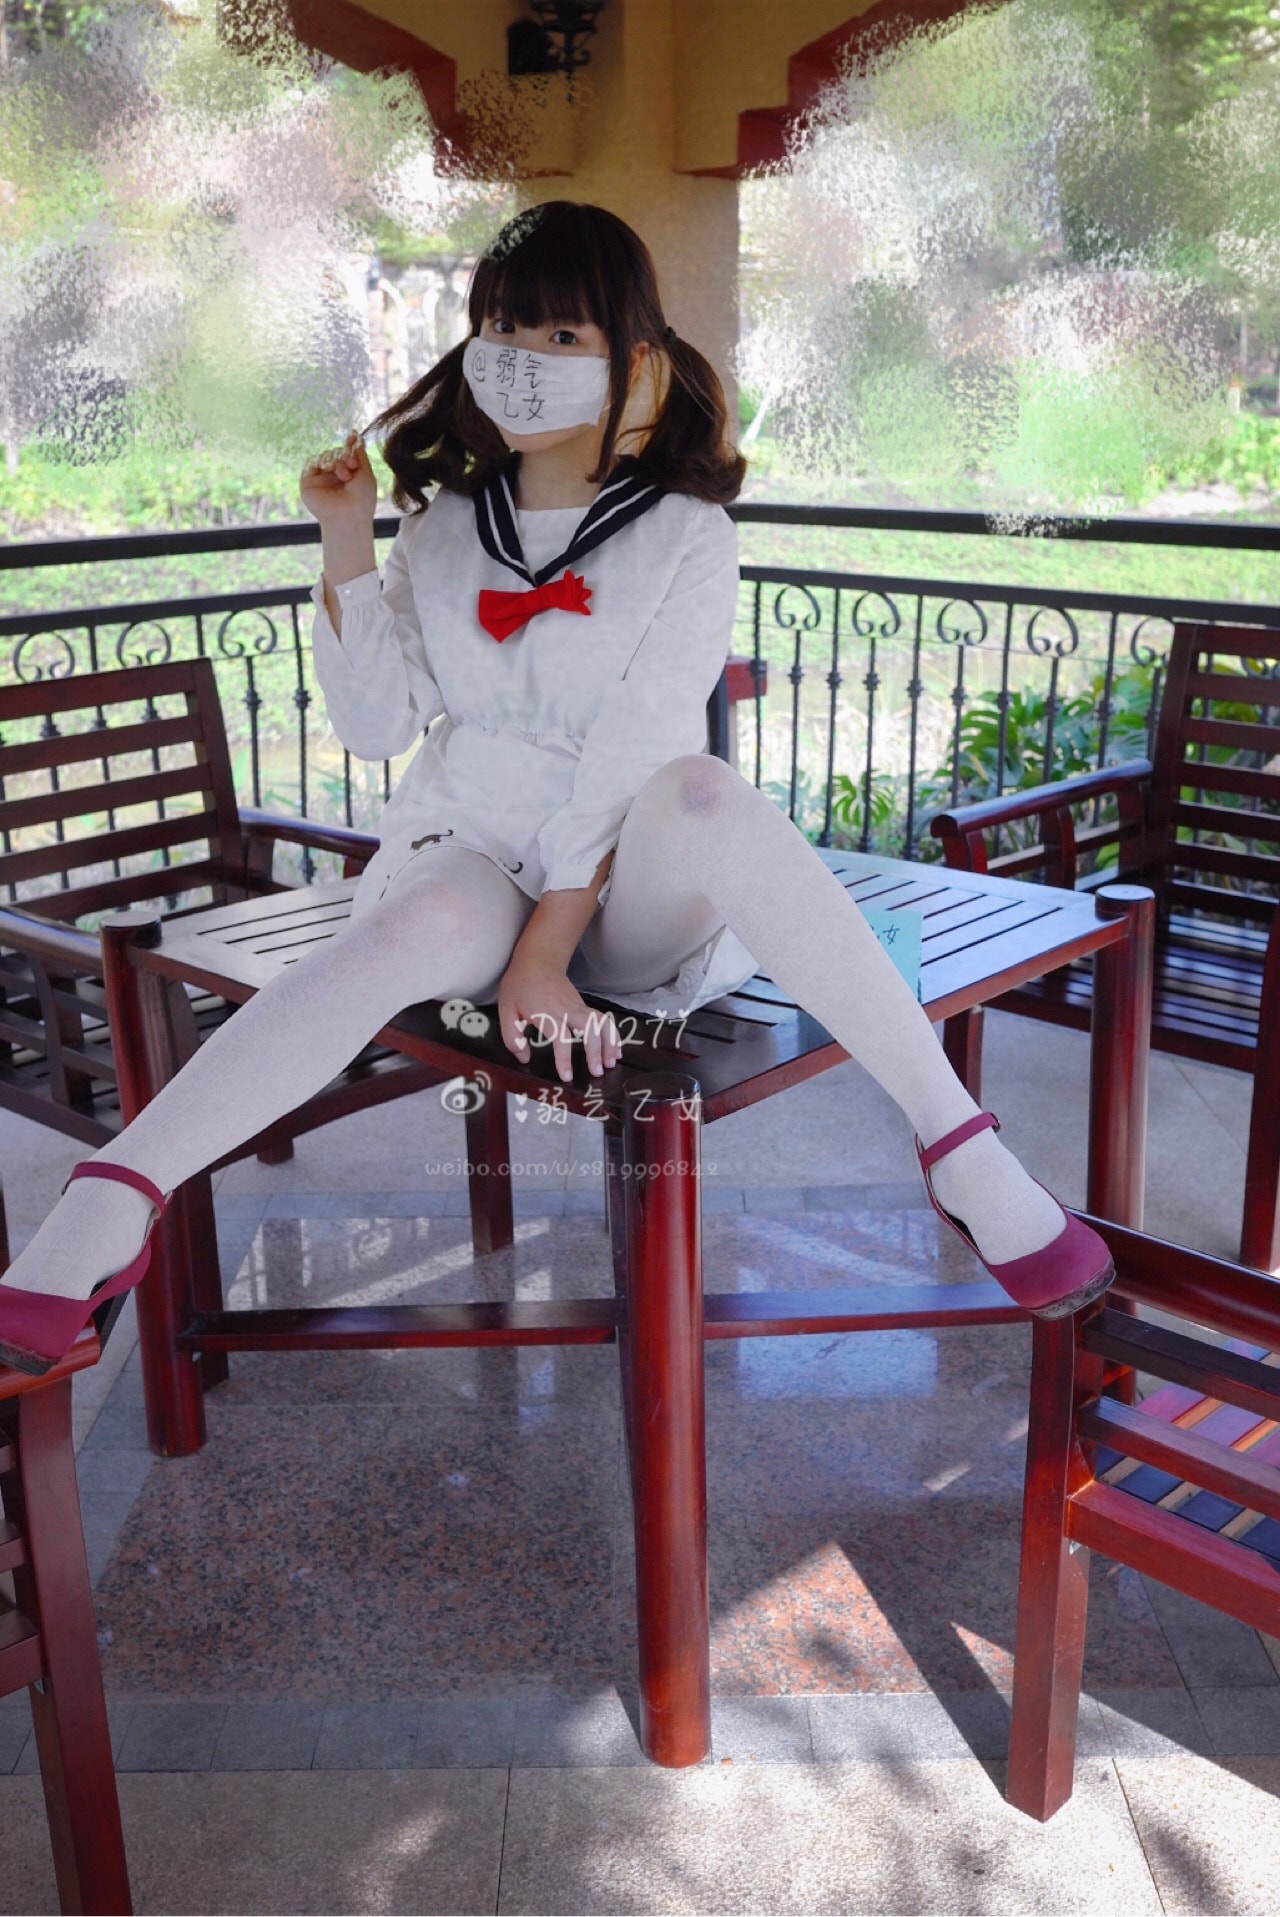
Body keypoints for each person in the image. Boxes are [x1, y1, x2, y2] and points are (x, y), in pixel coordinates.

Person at [0, 201, 1114, 1376]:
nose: (521, 360)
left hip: (624, 886)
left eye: (560, 336)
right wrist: (345, 540)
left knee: (698, 790)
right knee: (410, 924)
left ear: (633, 359)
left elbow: (635, 747)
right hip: (472, 846)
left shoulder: (685, 532)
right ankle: (114, 1193)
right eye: (502, 328)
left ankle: (956, 1146)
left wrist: (547, 952)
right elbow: (378, 727)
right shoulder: (440, 529)